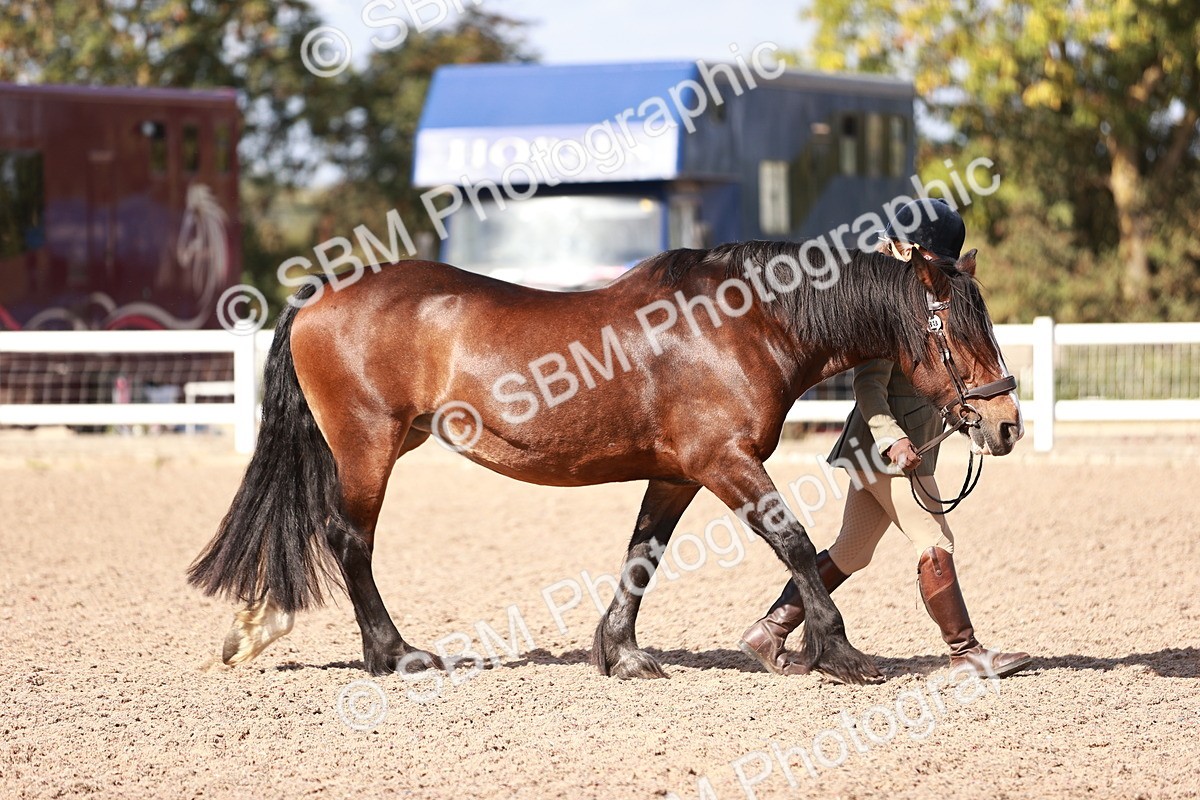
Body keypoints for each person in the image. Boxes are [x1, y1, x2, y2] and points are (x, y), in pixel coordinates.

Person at [739, 198, 1031, 680]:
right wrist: (892, 439)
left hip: (897, 450)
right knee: (935, 540)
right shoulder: (887, 304)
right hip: (887, 451)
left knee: (852, 552)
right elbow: (868, 386)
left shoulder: (925, 301)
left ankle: (769, 630)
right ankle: (966, 652)